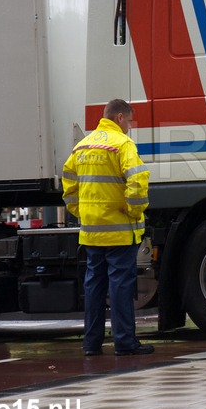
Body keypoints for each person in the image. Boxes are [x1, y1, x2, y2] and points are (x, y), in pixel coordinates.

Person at [62, 99, 154, 356]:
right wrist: (134, 210)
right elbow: (138, 178)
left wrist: (80, 211)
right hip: (119, 231)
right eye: (129, 122)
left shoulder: (82, 147)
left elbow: (68, 185)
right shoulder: (122, 145)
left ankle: (91, 344)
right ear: (120, 117)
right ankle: (125, 343)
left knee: (93, 286)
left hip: (92, 232)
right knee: (120, 285)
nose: (129, 128)